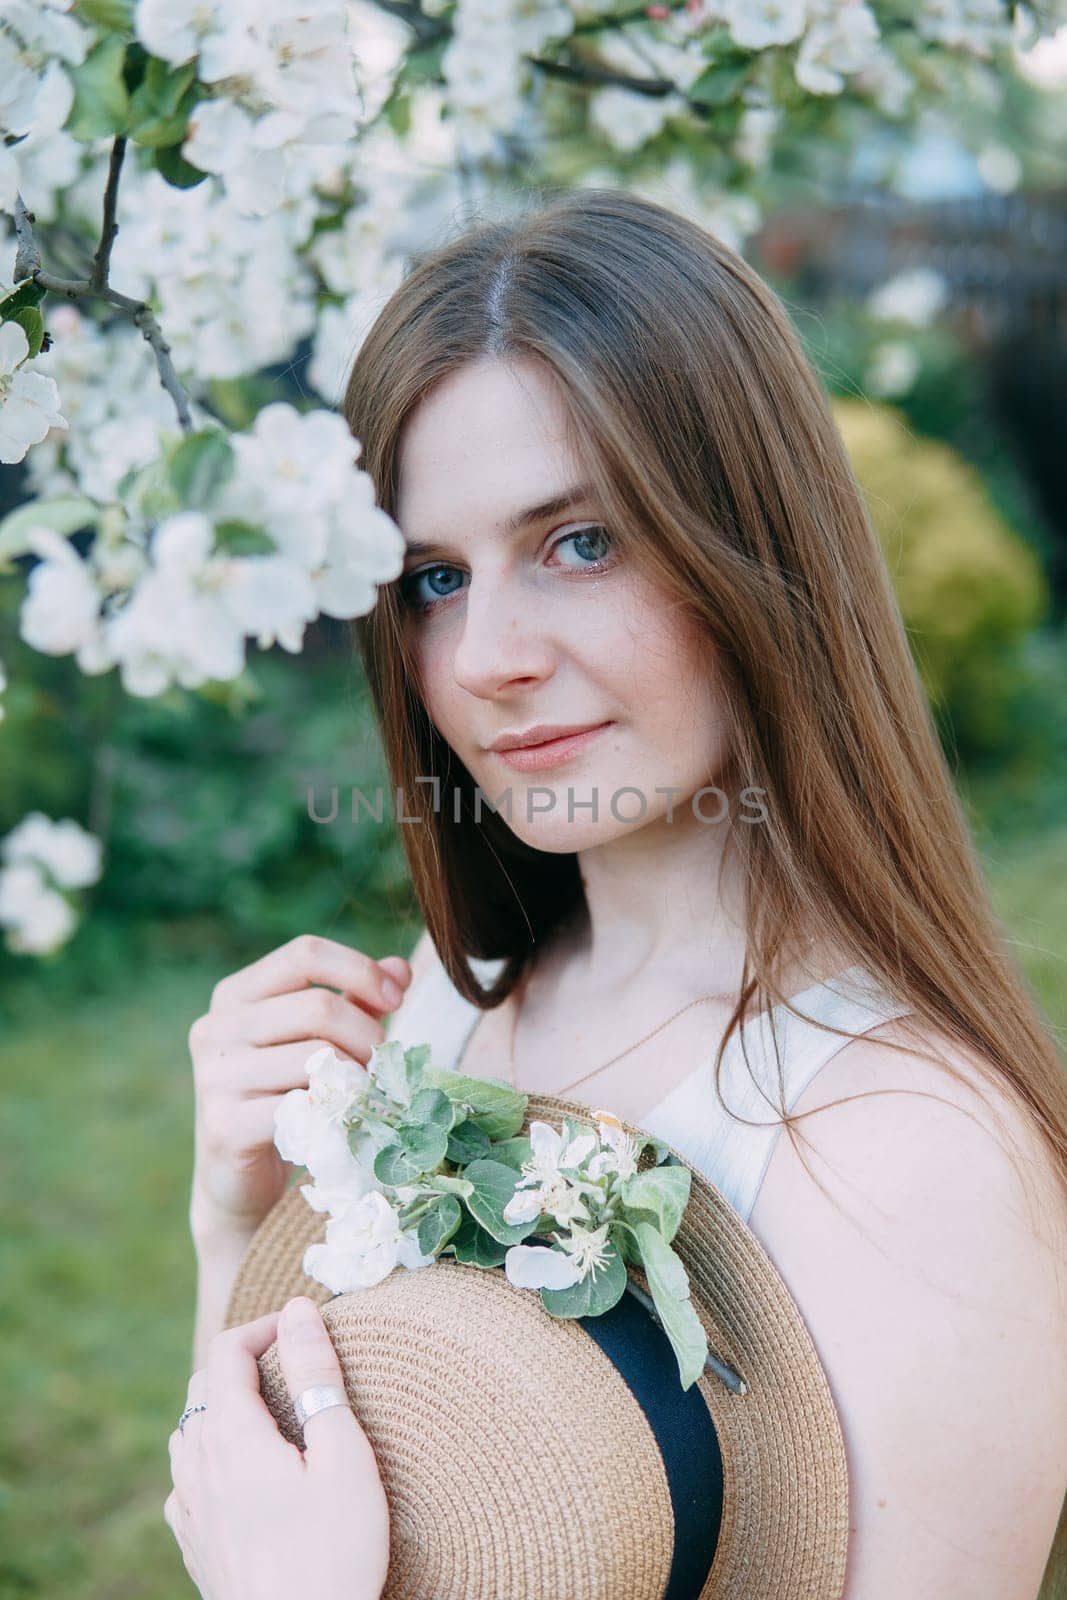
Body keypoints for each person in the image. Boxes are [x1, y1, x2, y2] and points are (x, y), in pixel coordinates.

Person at [172, 187, 1067, 1599]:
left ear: (754, 550)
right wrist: (244, 1227)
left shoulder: (913, 1160)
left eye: (581, 542)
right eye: (431, 579)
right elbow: (269, 1506)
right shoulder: (449, 1007)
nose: (488, 660)